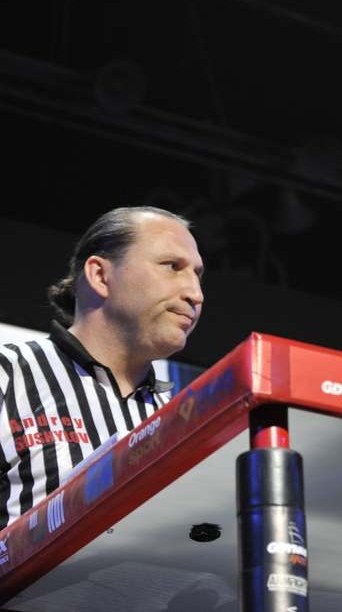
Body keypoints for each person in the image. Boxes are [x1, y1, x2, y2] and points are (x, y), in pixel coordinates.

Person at [0, 206, 204, 528]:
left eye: (197, 274)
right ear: (100, 275)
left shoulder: (178, 419)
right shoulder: (8, 375)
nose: (195, 294)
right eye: (172, 266)